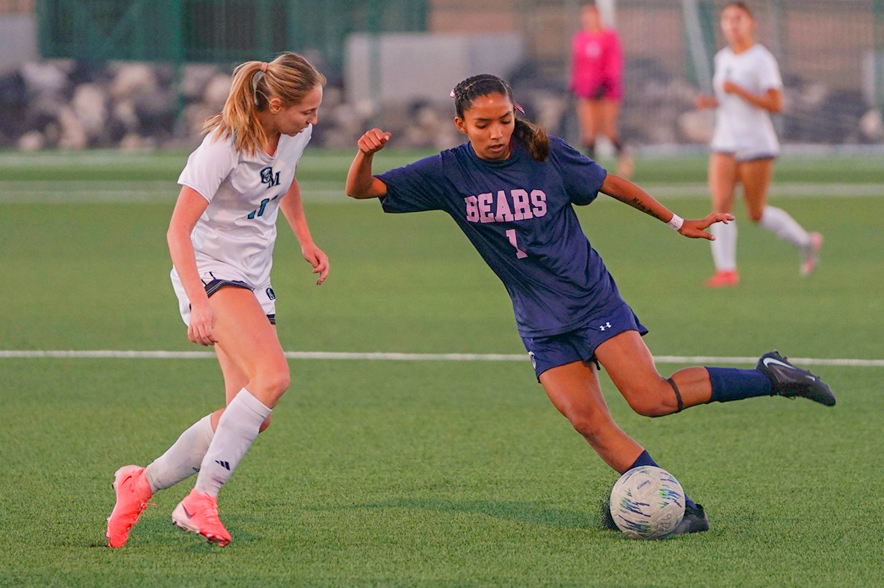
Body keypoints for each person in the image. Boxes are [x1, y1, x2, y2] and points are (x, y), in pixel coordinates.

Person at [345, 73, 835, 535]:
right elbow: (362, 190)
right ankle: (679, 508)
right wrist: (364, 155)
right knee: (588, 423)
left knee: (653, 400)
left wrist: (677, 221)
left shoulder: (546, 154)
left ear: (515, 115)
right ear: (460, 125)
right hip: (539, 321)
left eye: (504, 121)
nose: (496, 133)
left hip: (588, 299)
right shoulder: (448, 172)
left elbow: (612, 185)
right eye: (482, 125)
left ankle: (772, 377)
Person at [106, 52, 329, 548]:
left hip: (253, 277)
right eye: (306, 111)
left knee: (251, 415)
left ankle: (140, 483)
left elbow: (285, 181)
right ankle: (199, 500)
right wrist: (199, 303)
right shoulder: (222, 146)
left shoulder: (295, 134)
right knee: (274, 377)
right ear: (274, 103)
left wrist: (304, 238)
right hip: (209, 271)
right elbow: (177, 230)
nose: (314, 120)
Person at [695, 1, 821, 287]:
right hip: (725, 142)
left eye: (738, 18)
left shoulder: (761, 59)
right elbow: (728, 101)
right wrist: (712, 102)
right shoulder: (722, 58)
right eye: (726, 19)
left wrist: (739, 90)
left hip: (756, 145)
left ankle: (805, 241)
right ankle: (726, 270)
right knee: (720, 205)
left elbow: (776, 104)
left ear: (751, 22)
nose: (732, 24)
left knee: (756, 212)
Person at [569, 2, 632, 177]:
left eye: (591, 15)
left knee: (608, 130)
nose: (588, 19)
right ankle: (589, 169)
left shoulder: (609, 37)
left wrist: (605, 83)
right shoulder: (580, 38)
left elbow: (614, 63)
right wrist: (574, 85)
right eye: (585, 15)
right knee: (588, 132)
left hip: (607, 92)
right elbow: (577, 65)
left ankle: (624, 156)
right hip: (585, 91)